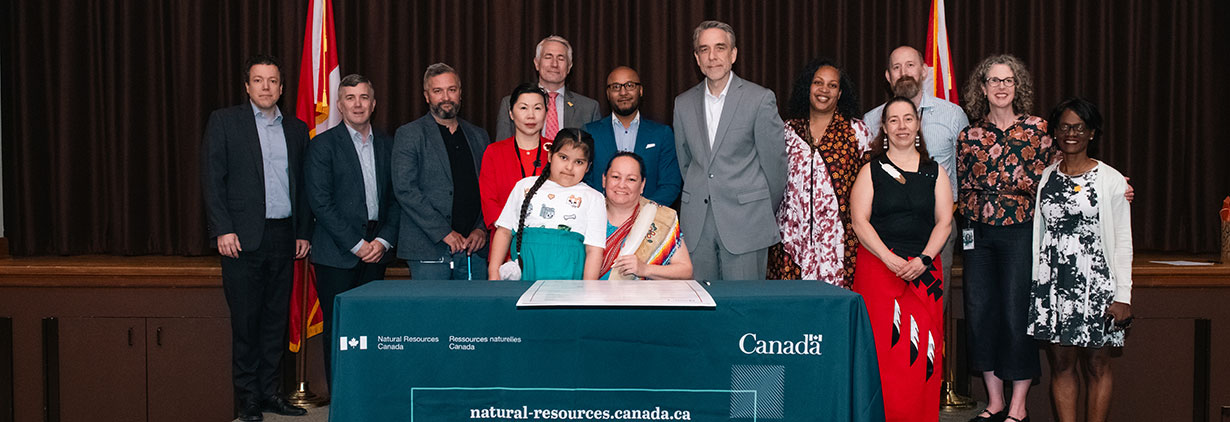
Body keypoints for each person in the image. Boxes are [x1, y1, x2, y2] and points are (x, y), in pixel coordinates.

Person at [200, 54, 311, 421]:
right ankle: (247, 398)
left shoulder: (295, 129)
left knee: (274, 321)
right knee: (246, 322)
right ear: (247, 86)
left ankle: (270, 393)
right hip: (241, 239)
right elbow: (212, 179)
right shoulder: (225, 121)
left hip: (284, 235)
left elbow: (303, 186)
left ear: (282, 87)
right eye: (259, 80)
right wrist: (222, 228)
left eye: (273, 81)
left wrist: (302, 232)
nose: (266, 87)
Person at [957, 54, 1052, 422]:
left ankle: (1018, 406)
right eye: (994, 80)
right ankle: (995, 402)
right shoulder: (969, 135)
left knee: (1016, 316)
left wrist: (1113, 185)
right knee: (981, 314)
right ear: (982, 88)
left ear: (1018, 87)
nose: (1000, 86)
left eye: (1008, 80)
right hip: (978, 235)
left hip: (1019, 234)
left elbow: (1064, 174)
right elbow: (964, 187)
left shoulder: (1038, 129)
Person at [1027, 97, 1132, 422]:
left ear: (1091, 133)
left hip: (1097, 288)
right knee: (1061, 365)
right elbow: (1039, 236)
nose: (1071, 133)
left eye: (1079, 127)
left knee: (1097, 365)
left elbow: (1123, 241)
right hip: (1055, 287)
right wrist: (1037, 289)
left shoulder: (1111, 180)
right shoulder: (1046, 178)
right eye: (1064, 127)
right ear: (1055, 132)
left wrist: (1123, 295)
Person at [850, 96, 953, 422]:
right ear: (884, 127)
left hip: (924, 272)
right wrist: (888, 258)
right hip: (879, 271)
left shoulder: (935, 171)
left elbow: (945, 222)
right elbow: (858, 221)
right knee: (884, 354)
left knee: (922, 353)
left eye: (908, 119)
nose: (901, 126)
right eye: (893, 120)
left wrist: (924, 258)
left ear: (918, 124)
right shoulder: (872, 170)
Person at [304, 74, 399, 386]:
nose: (357, 104)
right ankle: (342, 401)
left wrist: (383, 240)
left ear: (373, 104)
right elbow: (320, 202)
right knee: (341, 329)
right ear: (339, 106)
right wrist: (357, 244)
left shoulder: (388, 144)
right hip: (337, 253)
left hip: (378, 250)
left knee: (373, 328)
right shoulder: (322, 146)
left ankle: (369, 396)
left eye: (363, 97)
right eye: (350, 98)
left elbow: (397, 199)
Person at [672, 20, 786, 280]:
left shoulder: (760, 99)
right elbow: (686, 163)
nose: (712, 57)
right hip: (697, 224)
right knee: (701, 307)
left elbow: (775, 168)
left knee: (744, 310)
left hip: (746, 222)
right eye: (704, 49)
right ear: (696, 58)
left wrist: (757, 206)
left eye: (720, 48)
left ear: (733, 54)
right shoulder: (683, 103)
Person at [863, 46, 969, 287]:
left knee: (931, 303)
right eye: (896, 67)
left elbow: (965, 171)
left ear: (924, 71)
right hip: (886, 226)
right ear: (888, 76)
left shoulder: (953, 115)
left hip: (938, 224)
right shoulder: (871, 120)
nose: (904, 72)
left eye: (910, 65)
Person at [767, 58, 873, 286]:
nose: (824, 90)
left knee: (833, 308)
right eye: (818, 82)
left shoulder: (856, 131)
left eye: (832, 85)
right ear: (808, 87)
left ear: (840, 93)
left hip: (837, 241)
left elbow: (870, 186)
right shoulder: (787, 130)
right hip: (790, 240)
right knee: (792, 309)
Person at [393, 63, 491, 279]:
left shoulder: (479, 136)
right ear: (427, 96)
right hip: (429, 249)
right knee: (433, 313)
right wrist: (443, 232)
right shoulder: (409, 134)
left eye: (452, 90)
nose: (446, 97)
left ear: (460, 93)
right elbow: (405, 189)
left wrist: (482, 228)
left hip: (473, 249)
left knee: (474, 313)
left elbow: (490, 188)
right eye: (438, 91)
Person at [488, 129, 606, 280]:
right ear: (550, 155)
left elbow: (594, 250)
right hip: (526, 275)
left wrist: (588, 291)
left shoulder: (594, 198)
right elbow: (504, 231)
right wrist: (493, 274)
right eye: (563, 157)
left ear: (588, 167)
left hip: (569, 280)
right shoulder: (524, 186)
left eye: (579, 162)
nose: (569, 167)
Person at [584, 66, 682, 205]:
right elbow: (584, 181)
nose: (623, 92)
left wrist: (643, 213)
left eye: (630, 85)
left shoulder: (662, 134)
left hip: (648, 221)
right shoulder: (590, 132)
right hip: (600, 218)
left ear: (640, 90)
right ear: (608, 93)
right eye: (616, 87)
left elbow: (670, 184)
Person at [601, 152, 693, 280]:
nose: (622, 185)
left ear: (642, 185)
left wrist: (645, 269)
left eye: (631, 179)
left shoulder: (661, 218)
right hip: (586, 296)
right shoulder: (586, 211)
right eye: (615, 177)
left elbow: (685, 271)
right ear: (604, 180)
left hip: (639, 298)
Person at [480, 84, 551, 248]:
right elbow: (489, 202)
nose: (531, 115)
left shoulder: (556, 152)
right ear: (511, 113)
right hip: (504, 244)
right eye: (524, 108)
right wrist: (511, 231)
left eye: (538, 108)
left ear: (546, 113)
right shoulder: (494, 152)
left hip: (545, 244)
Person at [494, 35, 601, 140]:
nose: (554, 64)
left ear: (569, 67)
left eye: (561, 58)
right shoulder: (509, 103)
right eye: (548, 57)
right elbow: (502, 150)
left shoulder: (589, 108)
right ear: (537, 63)